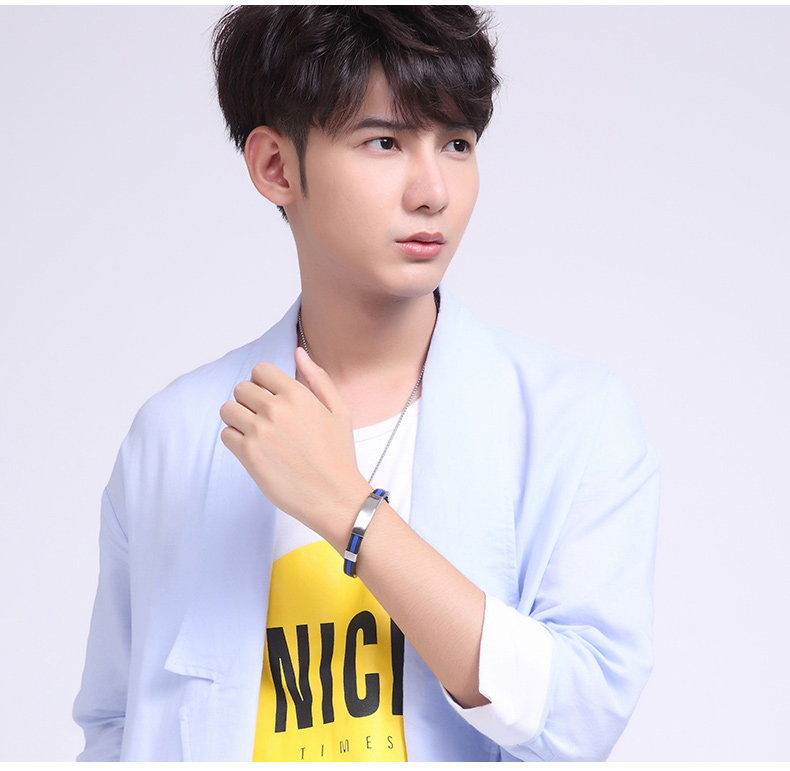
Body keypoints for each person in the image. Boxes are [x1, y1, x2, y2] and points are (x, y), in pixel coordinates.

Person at [73, 5, 659, 762]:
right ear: (276, 167)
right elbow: (117, 727)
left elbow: (582, 713)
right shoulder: (176, 432)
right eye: (384, 141)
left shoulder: (573, 420)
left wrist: (352, 512)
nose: (433, 190)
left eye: (456, 143)